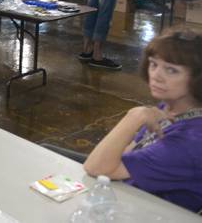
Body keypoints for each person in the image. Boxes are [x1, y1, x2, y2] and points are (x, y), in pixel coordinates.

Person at [83, 28, 202, 214]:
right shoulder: (172, 106)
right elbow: (132, 147)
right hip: (131, 190)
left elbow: (95, 167)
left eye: (171, 70)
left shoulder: (190, 142)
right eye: (153, 64)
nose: (156, 75)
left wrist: (135, 116)